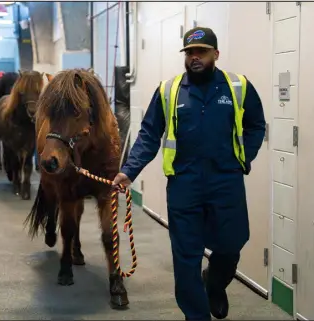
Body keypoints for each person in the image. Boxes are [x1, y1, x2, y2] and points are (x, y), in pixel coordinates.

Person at [113, 27, 266, 320]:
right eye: (190, 53)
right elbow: (148, 135)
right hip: (184, 184)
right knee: (186, 258)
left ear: (215, 54)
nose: (195, 58)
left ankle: (215, 283)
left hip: (226, 181)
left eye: (202, 52)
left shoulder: (238, 86)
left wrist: (244, 158)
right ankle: (196, 315)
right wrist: (129, 171)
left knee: (232, 243)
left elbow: (256, 125)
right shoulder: (168, 90)